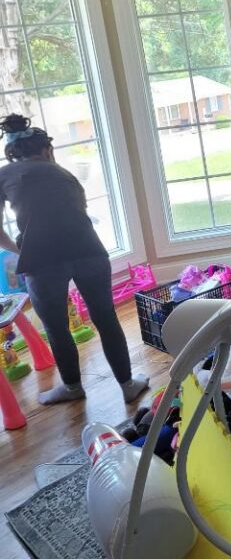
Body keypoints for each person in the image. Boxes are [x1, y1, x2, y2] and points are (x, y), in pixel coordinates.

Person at [0, 114, 148, 406]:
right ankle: (128, 384)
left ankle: (72, 388)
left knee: (56, 327)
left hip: (43, 259)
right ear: (47, 150)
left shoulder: (5, 174)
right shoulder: (64, 174)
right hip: (88, 250)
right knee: (106, 318)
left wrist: (22, 250)